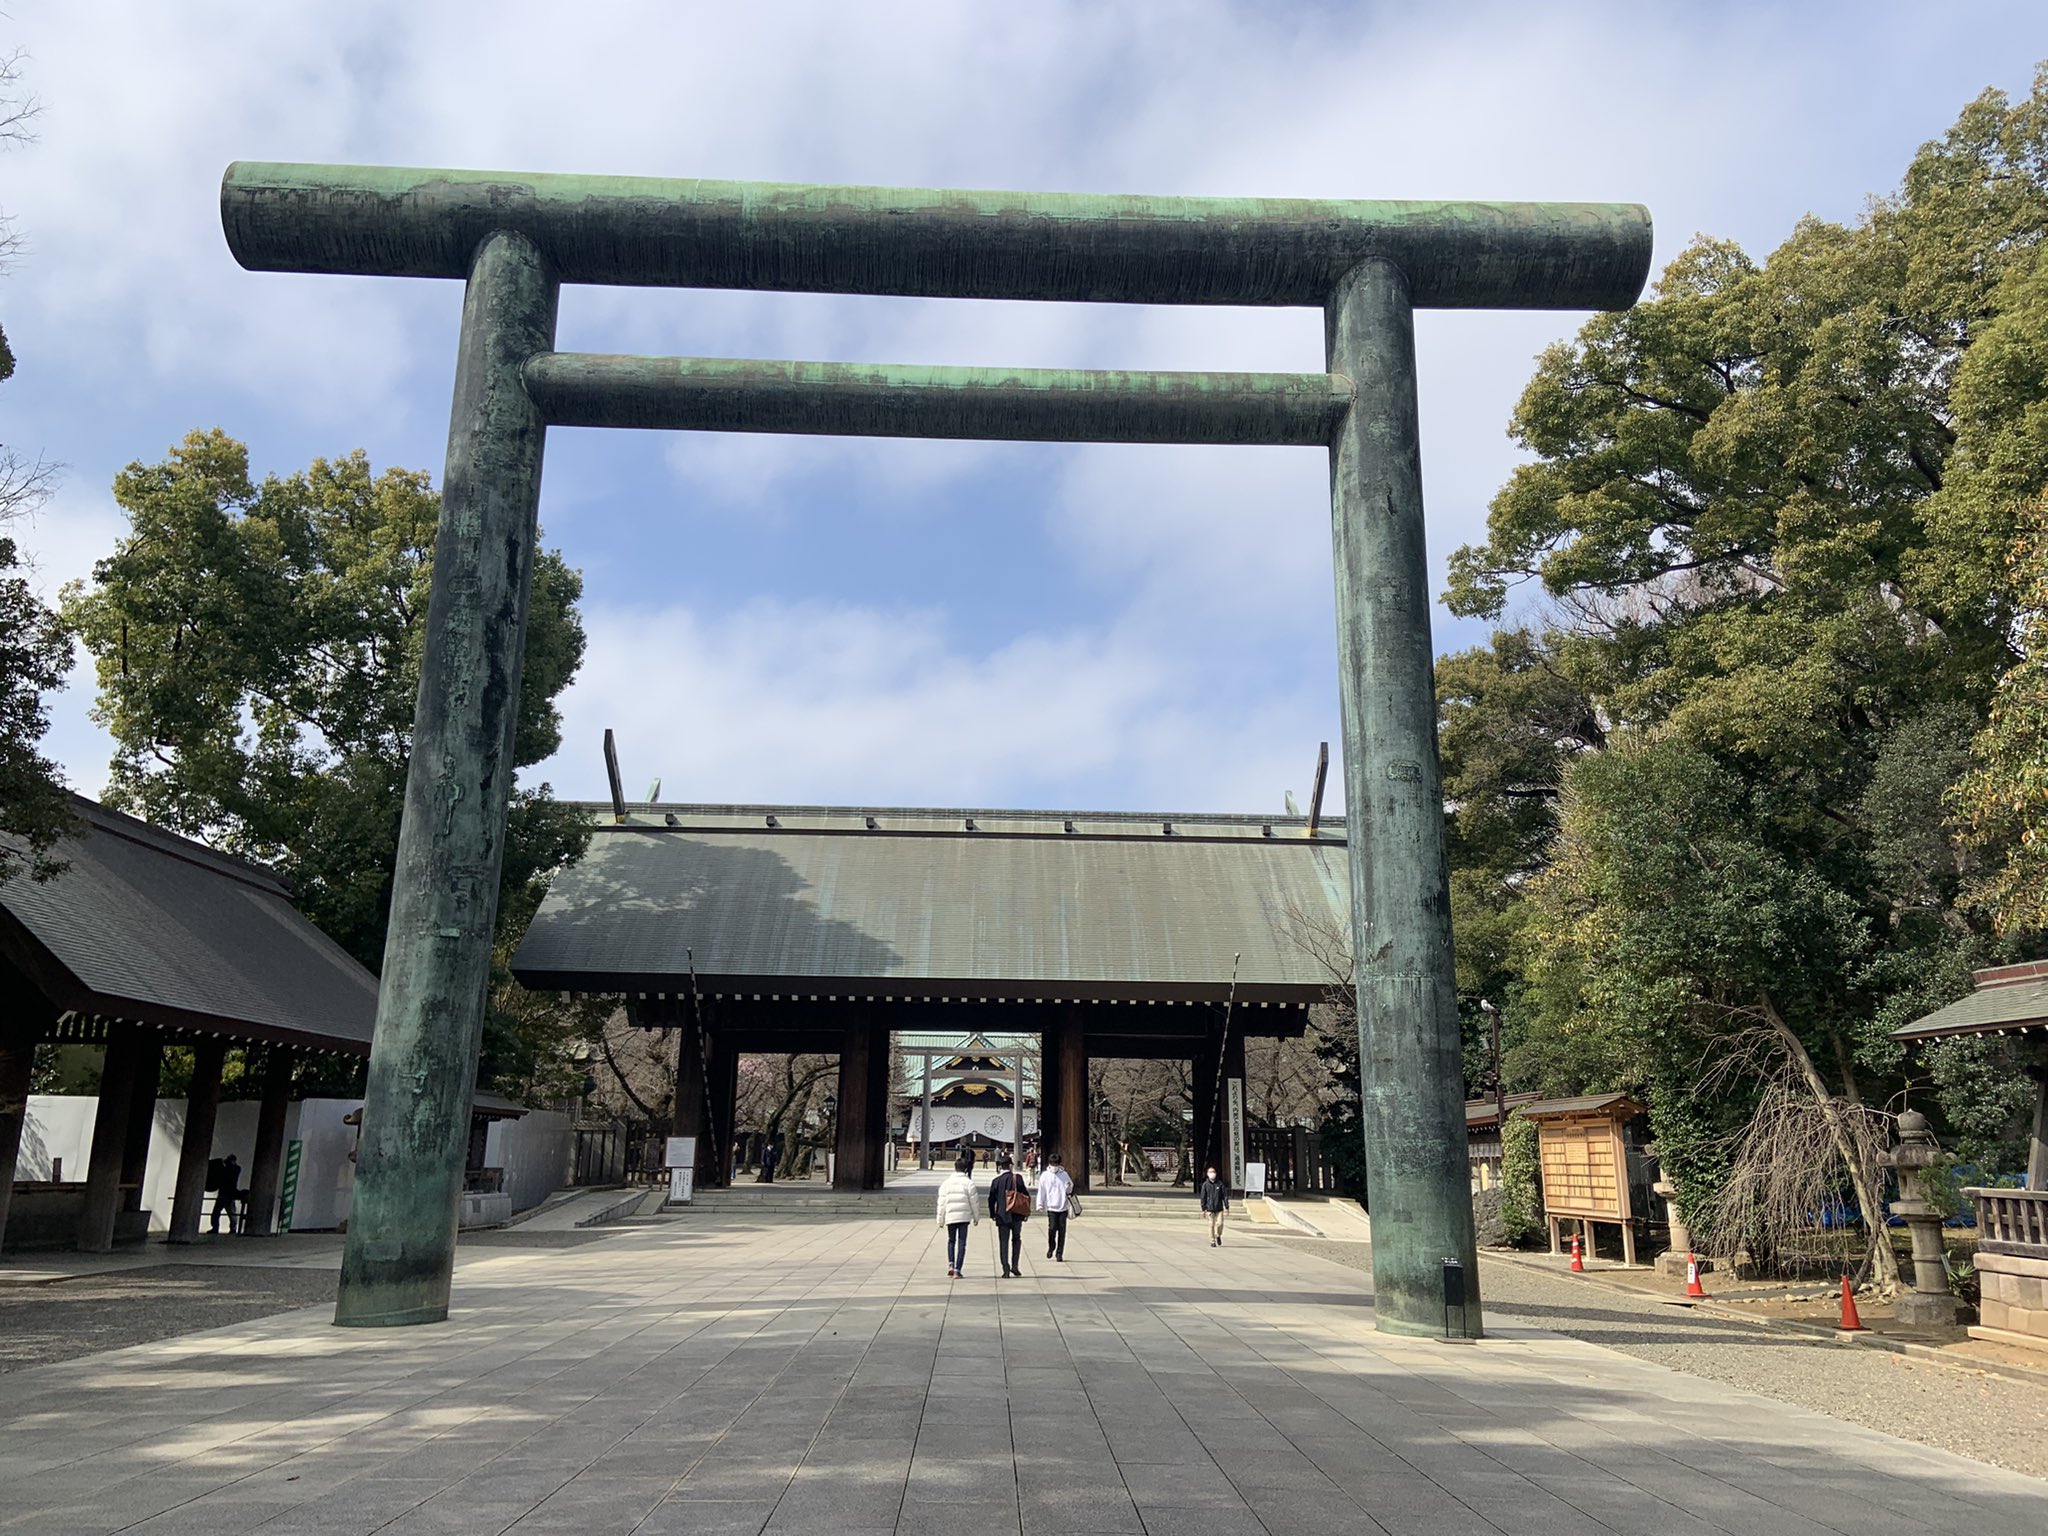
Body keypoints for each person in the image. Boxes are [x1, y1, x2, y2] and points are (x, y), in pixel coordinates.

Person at [937, 1150, 980, 1278]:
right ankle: (957, 1269)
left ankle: (950, 1263)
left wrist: (940, 1219)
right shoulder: (969, 1183)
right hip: (964, 1216)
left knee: (951, 1240)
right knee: (962, 1243)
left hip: (950, 1215)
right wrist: (976, 1217)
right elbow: (974, 1202)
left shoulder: (946, 1183)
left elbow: (942, 1202)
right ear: (966, 1169)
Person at [988, 1152, 1030, 1277]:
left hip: (1002, 1215)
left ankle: (1005, 1269)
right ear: (1010, 1166)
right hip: (1016, 1214)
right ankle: (1015, 1265)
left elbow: (991, 1199)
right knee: (1016, 1239)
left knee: (1003, 1242)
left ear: (1000, 1166)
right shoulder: (1017, 1178)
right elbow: (1025, 1195)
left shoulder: (996, 1181)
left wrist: (992, 1213)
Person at [1036, 1149, 1073, 1261]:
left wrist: (1068, 1187)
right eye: (1053, 1164)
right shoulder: (1045, 1175)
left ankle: (1059, 1253)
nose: (1054, 1166)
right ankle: (1051, 1247)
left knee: (1062, 1231)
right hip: (1051, 1207)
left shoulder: (1064, 1174)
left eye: (1056, 1164)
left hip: (1063, 1207)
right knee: (1052, 1229)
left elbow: (1070, 1188)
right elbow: (1041, 1191)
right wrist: (1039, 1204)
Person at [210, 1153, 243, 1235]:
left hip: (226, 1194)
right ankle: (231, 1229)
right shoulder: (234, 1169)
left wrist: (222, 1162)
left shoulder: (234, 1169)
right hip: (228, 1194)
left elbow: (227, 1170)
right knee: (229, 1213)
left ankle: (219, 1228)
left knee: (225, 1213)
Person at [1198, 1163, 1229, 1247]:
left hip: (1219, 1208)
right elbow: (1203, 1197)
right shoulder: (1205, 1185)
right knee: (1211, 1225)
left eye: (1213, 1172)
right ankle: (1212, 1240)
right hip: (1209, 1208)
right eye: (1210, 1172)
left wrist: (1226, 1207)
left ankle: (1218, 1235)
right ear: (1207, 1174)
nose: (1212, 1174)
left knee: (1220, 1223)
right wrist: (1203, 1209)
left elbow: (1224, 1196)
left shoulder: (1220, 1184)